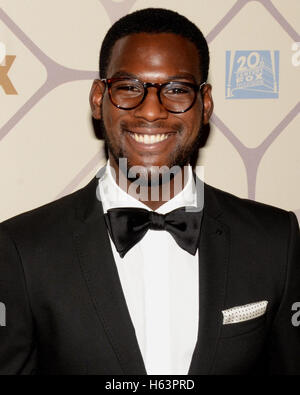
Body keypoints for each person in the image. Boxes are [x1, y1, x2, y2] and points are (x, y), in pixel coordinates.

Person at [0, 8, 299, 376]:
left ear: (205, 104)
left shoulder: (274, 240)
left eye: (176, 89)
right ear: (98, 99)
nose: (152, 111)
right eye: (129, 88)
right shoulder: (23, 250)